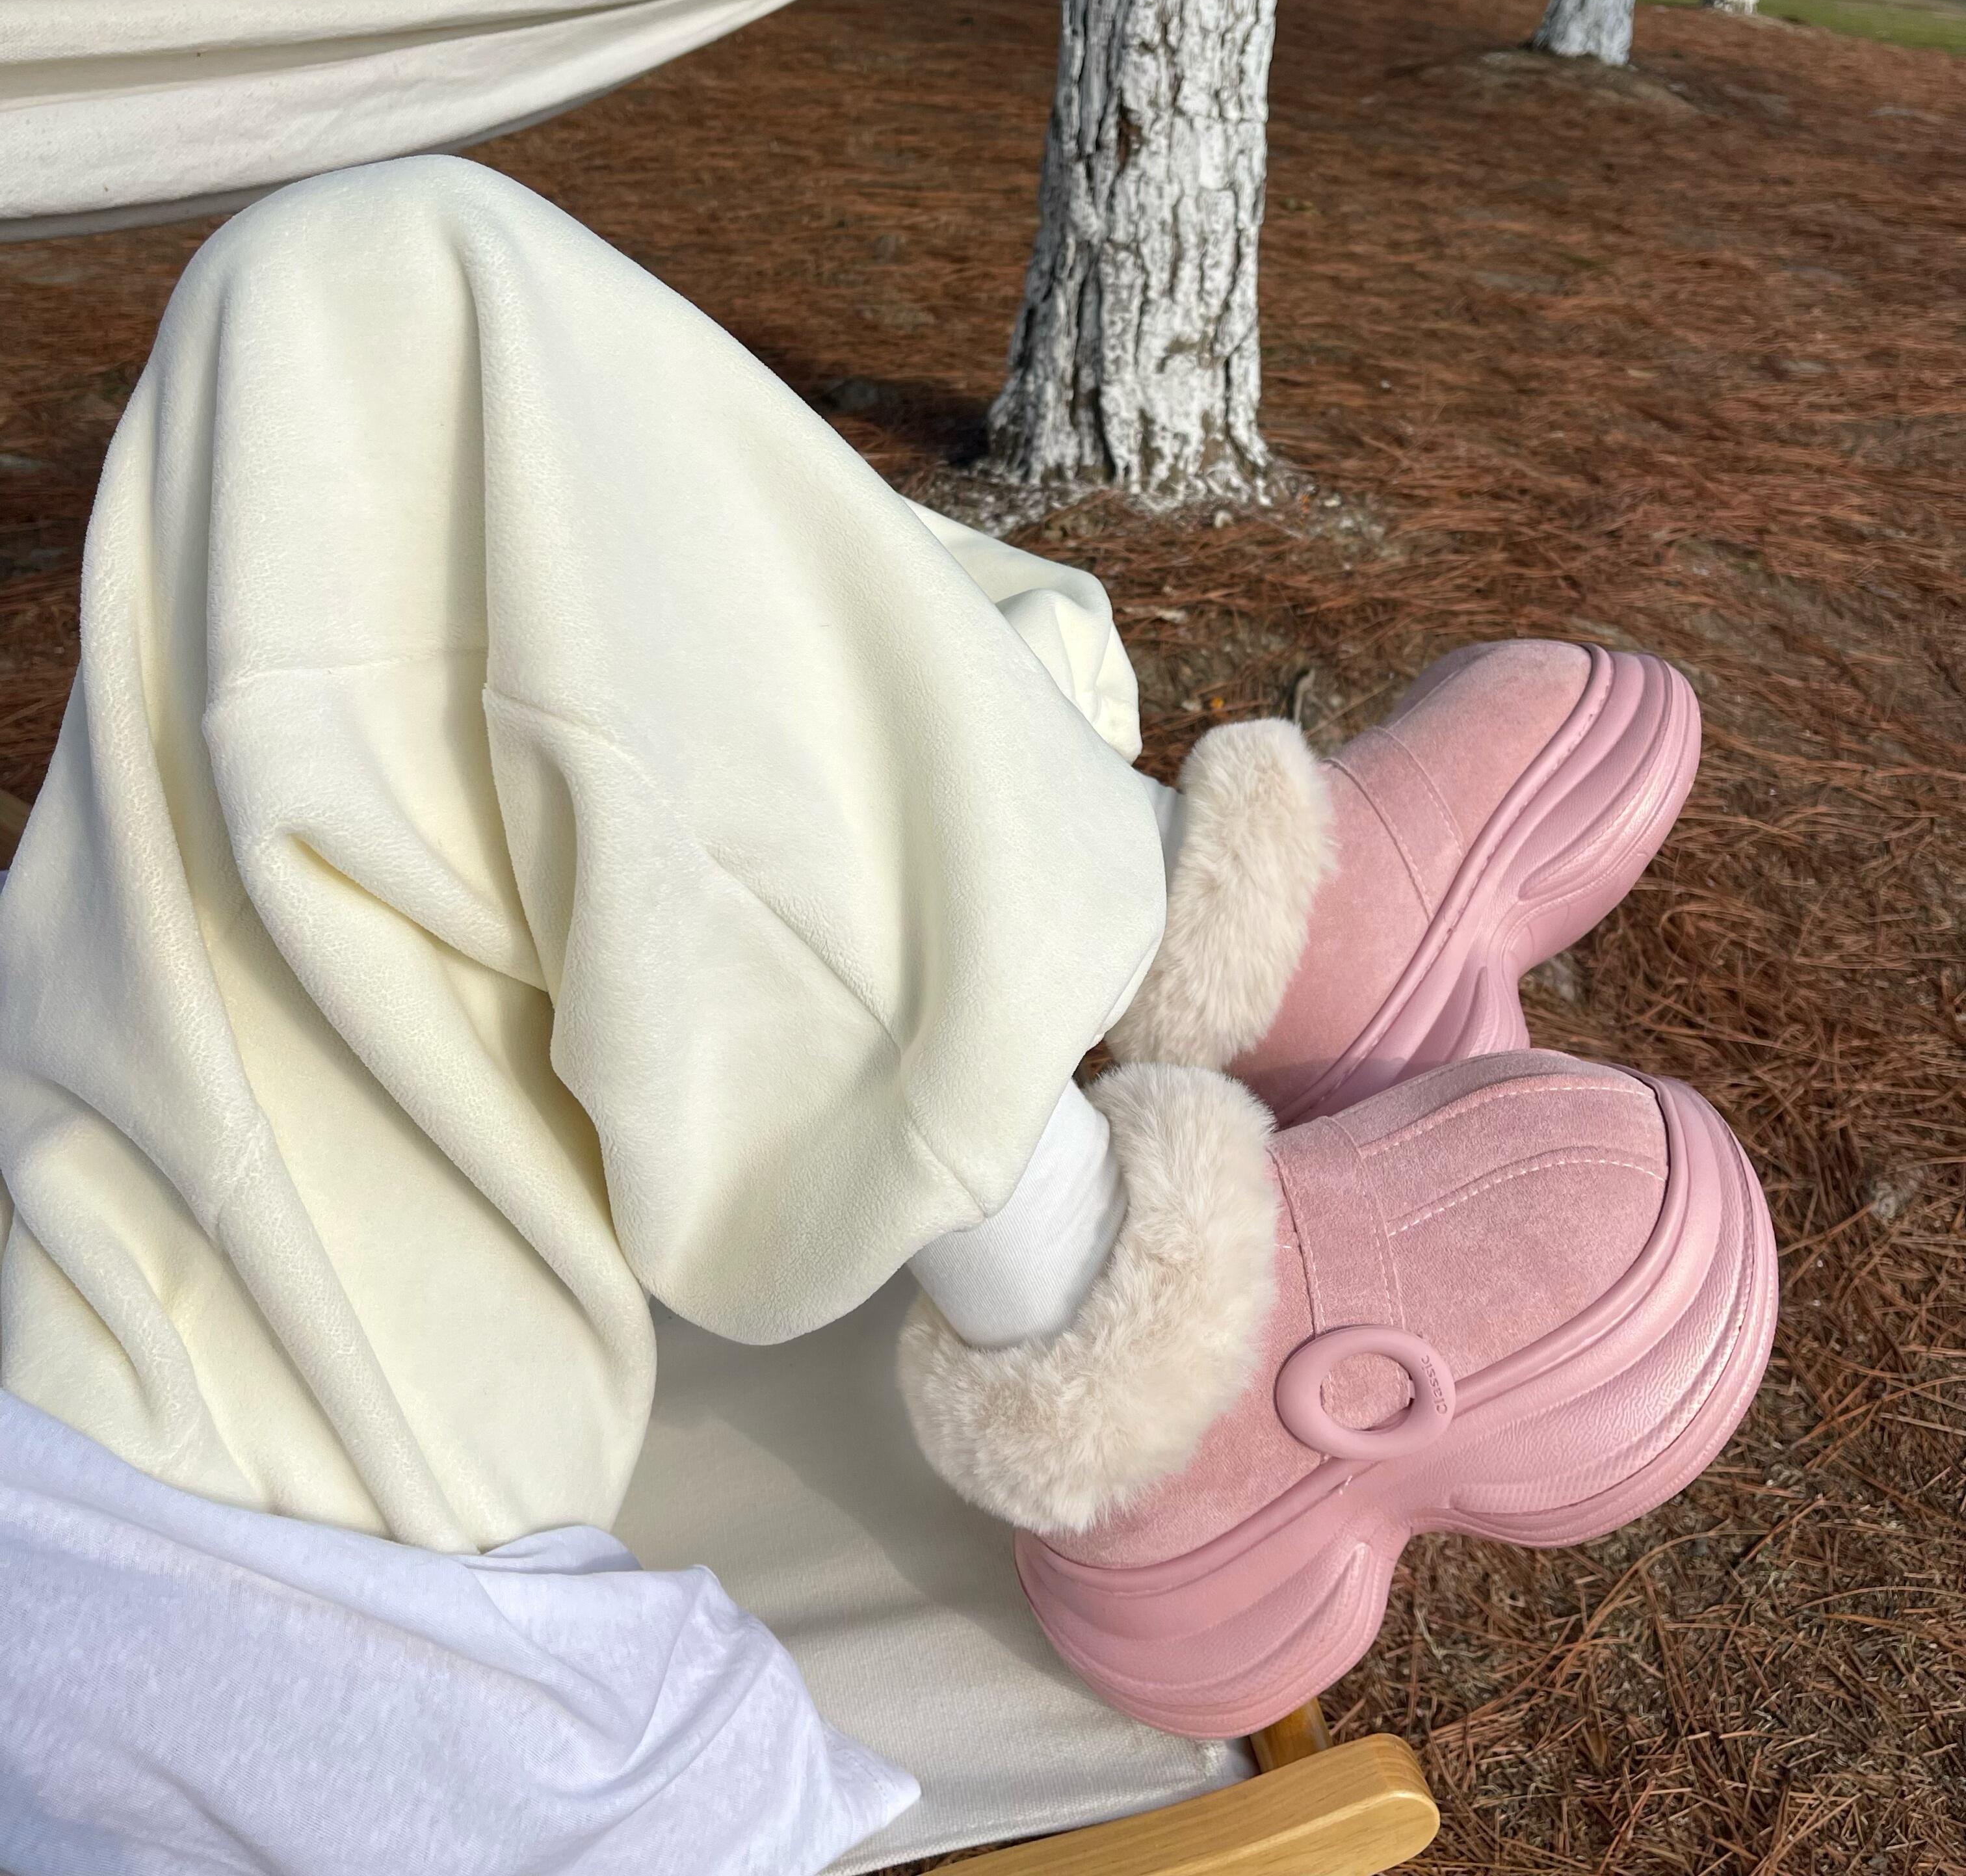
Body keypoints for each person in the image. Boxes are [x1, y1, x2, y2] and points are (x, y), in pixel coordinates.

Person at [0, 156, 1777, 1868]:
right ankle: (1137, 1261)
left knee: (339, 348)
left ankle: (1189, 925)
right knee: (379, 322)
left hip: (83, 1319)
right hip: (182, 1566)